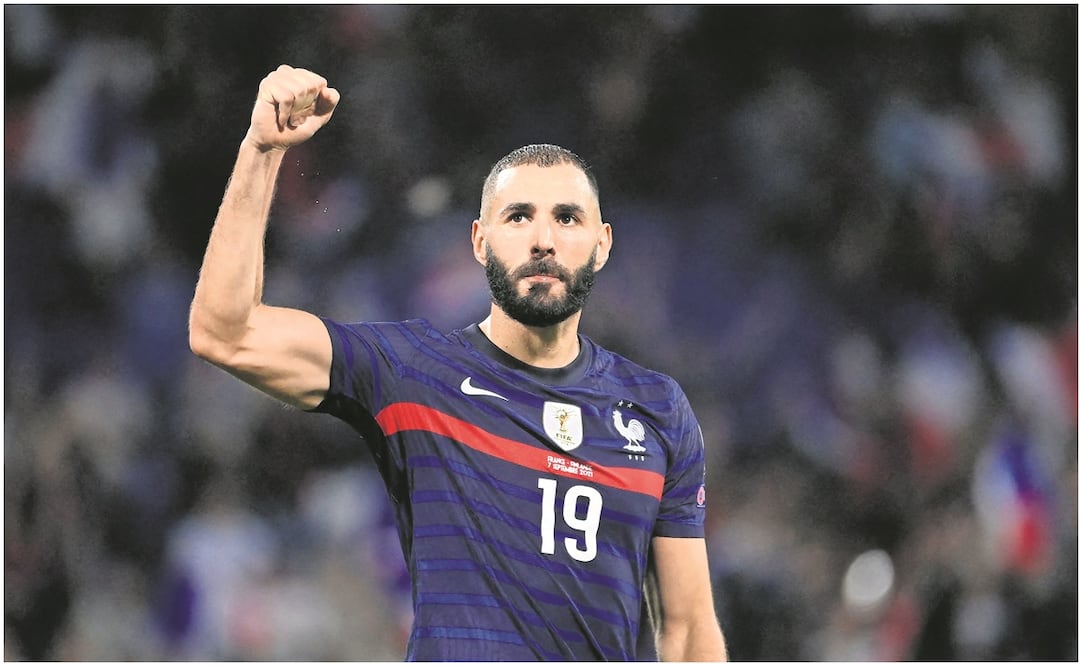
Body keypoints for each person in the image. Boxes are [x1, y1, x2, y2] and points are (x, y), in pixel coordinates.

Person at [189, 64, 728, 662]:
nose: (542, 239)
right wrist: (261, 151)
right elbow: (225, 331)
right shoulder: (415, 371)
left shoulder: (657, 408)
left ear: (601, 244)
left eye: (567, 218)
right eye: (518, 216)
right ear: (478, 241)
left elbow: (686, 629)